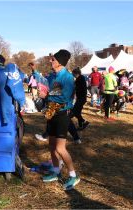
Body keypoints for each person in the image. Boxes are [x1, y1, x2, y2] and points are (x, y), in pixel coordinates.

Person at [42, 49, 80, 190]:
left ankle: (73, 175)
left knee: (60, 148)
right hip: (51, 112)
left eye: (53, 60)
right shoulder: (53, 76)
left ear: (60, 62)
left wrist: (47, 94)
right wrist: (44, 95)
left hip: (62, 114)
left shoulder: (67, 77)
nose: (50, 61)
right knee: (52, 146)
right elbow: (48, 90)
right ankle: (56, 172)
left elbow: (65, 97)